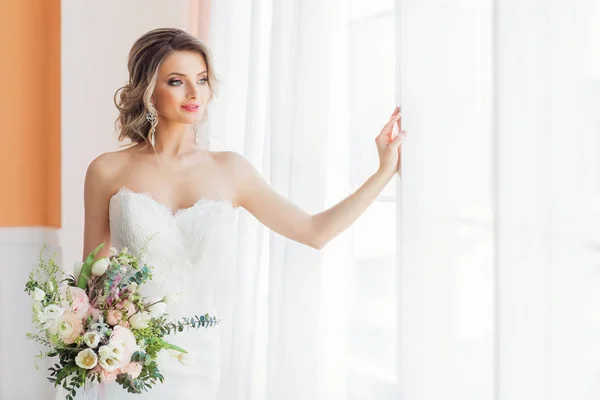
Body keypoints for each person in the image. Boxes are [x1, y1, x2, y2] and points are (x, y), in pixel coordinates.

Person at [80, 27, 406, 399]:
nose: (193, 93)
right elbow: (92, 280)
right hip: (124, 360)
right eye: (176, 81)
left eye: (201, 80)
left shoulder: (230, 170)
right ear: (149, 88)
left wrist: (383, 172)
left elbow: (315, 232)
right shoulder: (107, 170)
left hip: (198, 358)